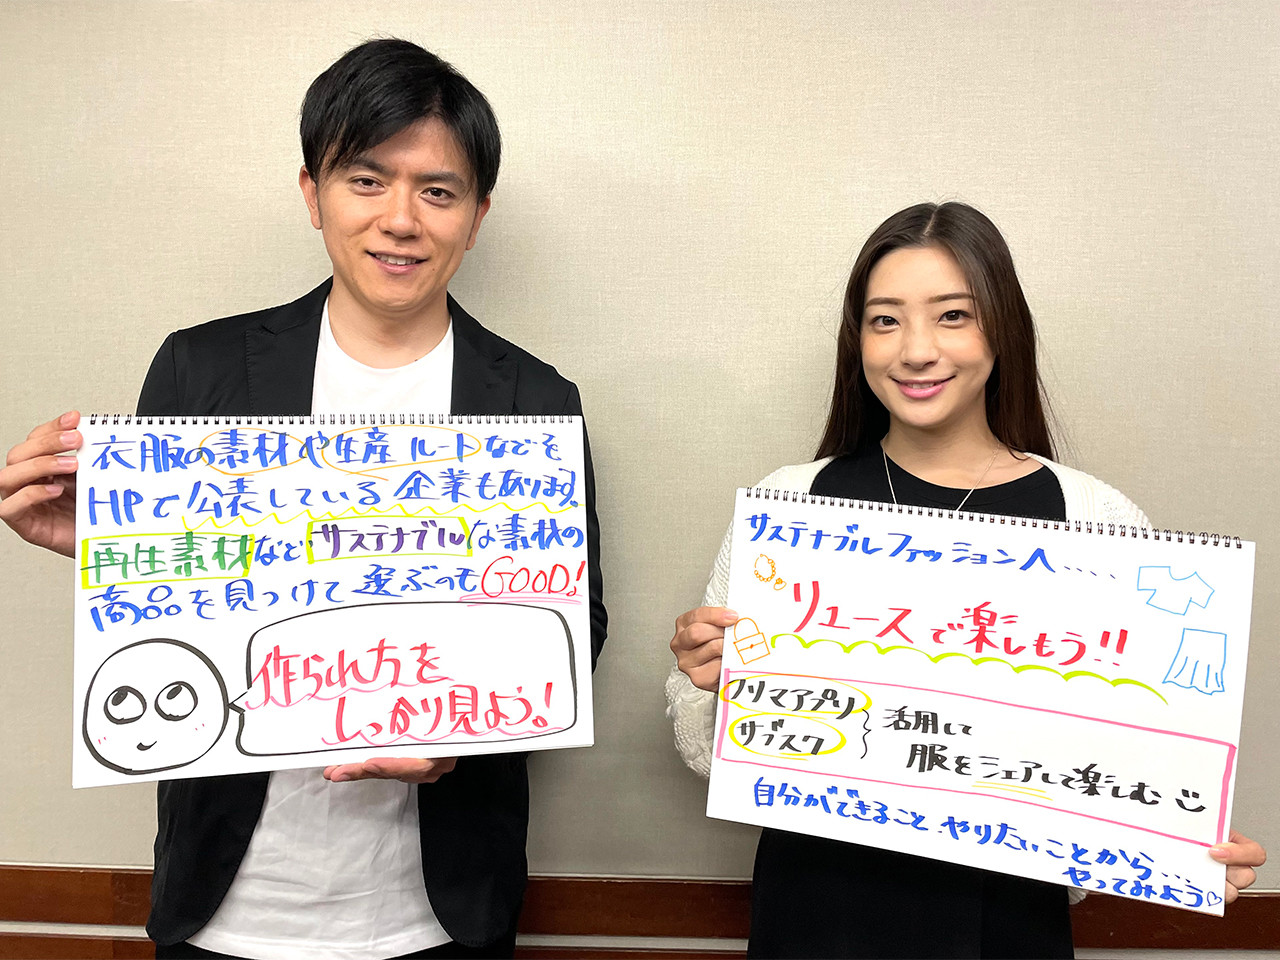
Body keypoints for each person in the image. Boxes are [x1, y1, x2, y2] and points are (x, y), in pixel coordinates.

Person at [0, 39, 606, 960]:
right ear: (313, 193)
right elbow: (177, 602)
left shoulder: (533, 399)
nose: (400, 219)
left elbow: (574, 625)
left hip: (437, 911)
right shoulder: (201, 368)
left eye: (438, 192)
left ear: (476, 217)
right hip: (226, 904)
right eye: (366, 180)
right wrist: (102, 548)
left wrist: (462, 739)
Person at [664, 202, 1264, 959]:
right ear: (857, 341)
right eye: (885, 321)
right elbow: (711, 748)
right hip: (817, 909)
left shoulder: (1097, 519)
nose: (917, 350)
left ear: (1001, 328)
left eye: (953, 315)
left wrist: (1184, 848)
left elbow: (1132, 756)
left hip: (1005, 923)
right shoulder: (789, 504)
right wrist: (712, 679)